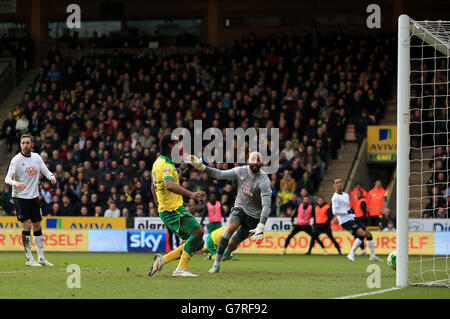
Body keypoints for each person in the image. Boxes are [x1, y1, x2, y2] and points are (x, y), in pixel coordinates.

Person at [188, 151, 271, 274]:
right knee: (230, 228)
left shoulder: (264, 180)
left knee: (232, 244)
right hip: (240, 208)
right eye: (252, 161)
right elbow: (220, 174)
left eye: (257, 162)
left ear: (261, 163)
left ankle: (227, 252)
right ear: (248, 161)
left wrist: (261, 224)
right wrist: (202, 168)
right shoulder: (240, 171)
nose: (254, 164)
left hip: (254, 217)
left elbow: (267, 205)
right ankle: (216, 264)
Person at [148, 134, 206, 278]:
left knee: (198, 243)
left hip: (168, 209)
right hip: (172, 210)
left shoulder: (158, 162)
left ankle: (162, 260)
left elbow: (152, 186)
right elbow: (169, 185)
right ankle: (180, 269)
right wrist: (191, 194)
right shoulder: (165, 165)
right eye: (176, 143)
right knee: (198, 231)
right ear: (170, 145)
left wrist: (158, 205)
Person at [4, 133, 55, 266]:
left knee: (37, 225)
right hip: (20, 197)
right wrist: (17, 184)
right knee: (26, 224)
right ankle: (29, 259)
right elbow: (7, 179)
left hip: (33, 196)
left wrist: (51, 176)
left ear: (32, 144)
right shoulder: (16, 160)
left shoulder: (37, 157)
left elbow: (45, 170)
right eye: (23, 143)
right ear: (20, 145)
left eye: (27, 143)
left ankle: (41, 257)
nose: (25, 145)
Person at [331, 178, 381, 262]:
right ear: (334, 185)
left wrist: (352, 214)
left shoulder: (346, 195)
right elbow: (334, 212)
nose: (339, 184)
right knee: (362, 234)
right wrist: (347, 211)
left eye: (340, 182)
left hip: (352, 218)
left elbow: (347, 208)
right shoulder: (335, 197)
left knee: (368, 234)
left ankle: (372, 256)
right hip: (345, 221)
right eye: (337, 183)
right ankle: (351, 253)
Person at [354, 189, 369, 256]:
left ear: (361, 194)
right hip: (358, 219)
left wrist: (364, 220)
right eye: (357, 194)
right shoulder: (359, 201)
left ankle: (363, 249)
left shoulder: (362, 201)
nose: (358, 195)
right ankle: (363, 249)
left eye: (359, 194)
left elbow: (364, 211)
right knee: (359, 235)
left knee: (360, 234)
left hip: (361, 219)